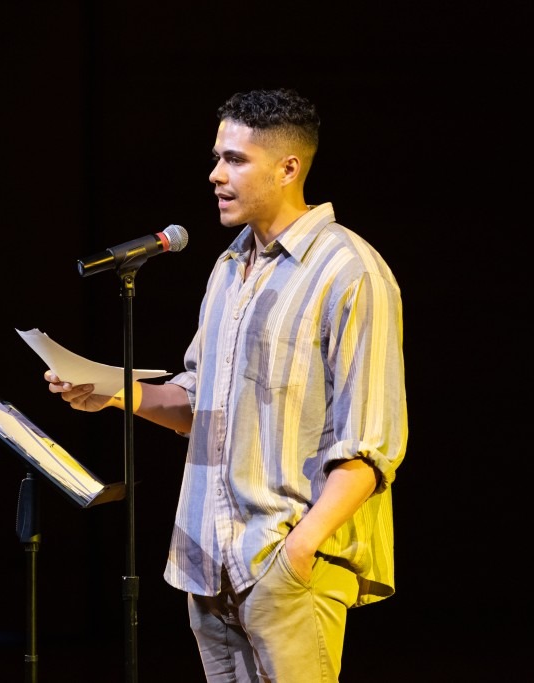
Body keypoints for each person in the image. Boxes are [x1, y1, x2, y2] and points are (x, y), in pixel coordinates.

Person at [46, 88, 407, 682]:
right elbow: (200, 404)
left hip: (286, 562)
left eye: (235, 159)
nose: (215, 174)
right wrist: (109, 393)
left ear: (288, 168)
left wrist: (299, 552)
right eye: (217, 157)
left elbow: (371, 443)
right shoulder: (230, 267)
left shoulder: (349, 271)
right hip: (209, 564)